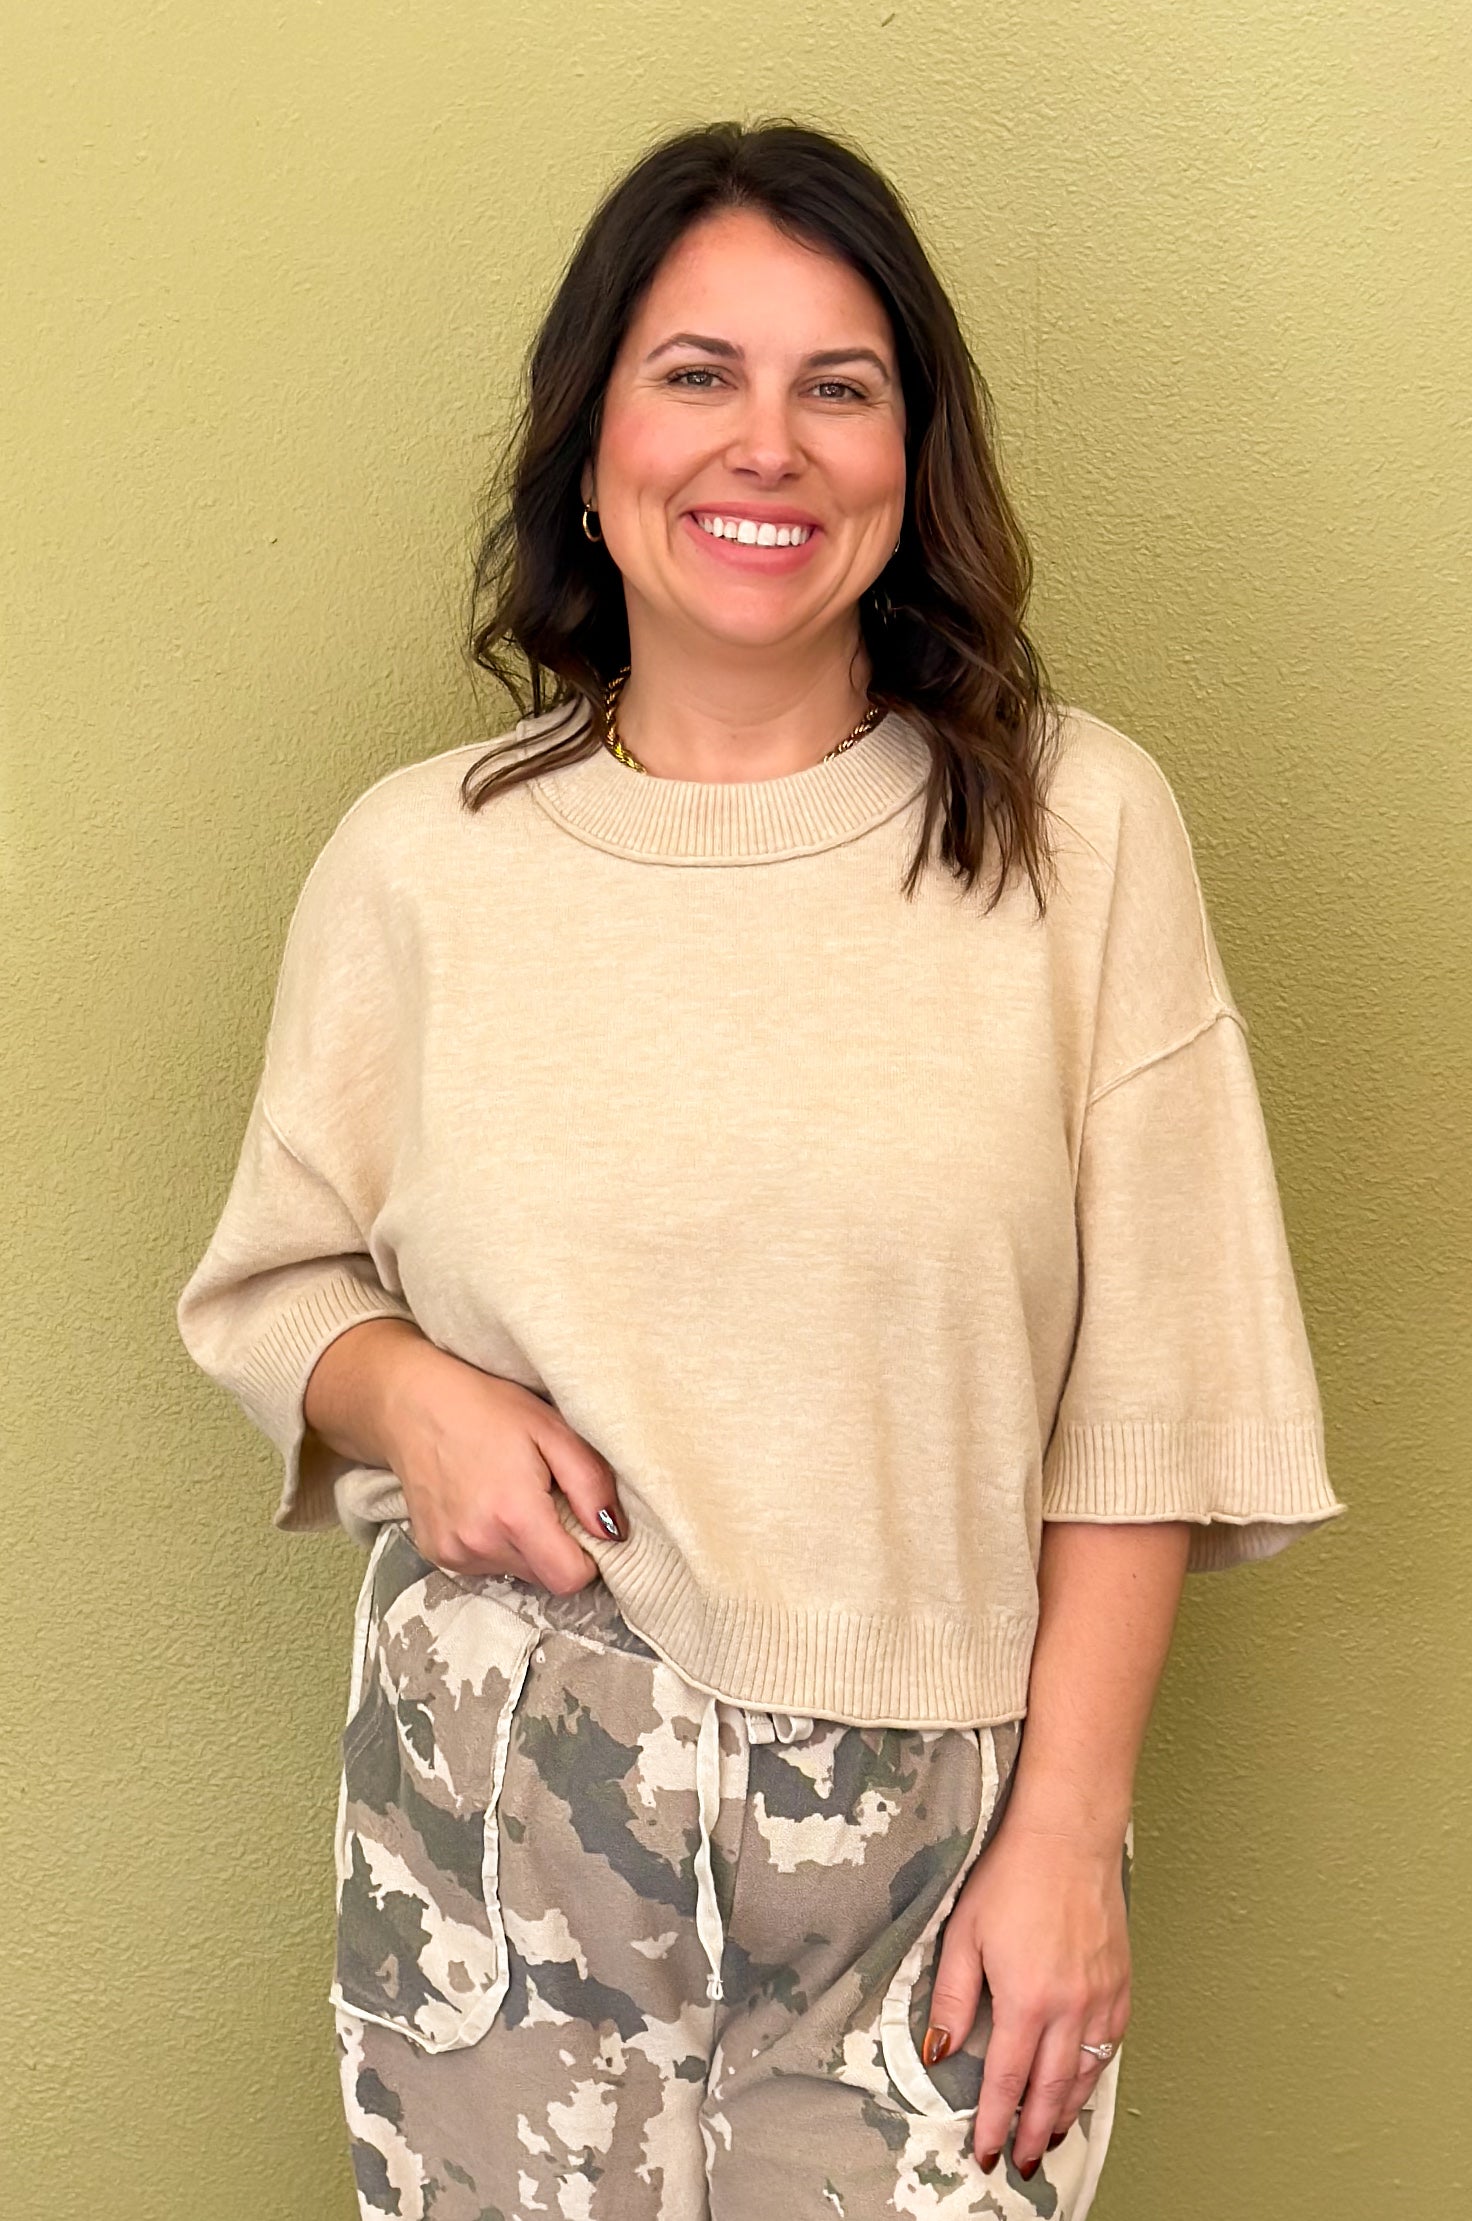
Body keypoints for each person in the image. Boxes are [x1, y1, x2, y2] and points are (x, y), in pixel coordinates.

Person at [176, 119, 1346, 2221]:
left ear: (914, 453)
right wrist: (409, 1392)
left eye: (840, 386)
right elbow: (277, 1286)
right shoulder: (420, 860)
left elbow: (1158, 1387)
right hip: (502, 1823)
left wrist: (1068, 1835)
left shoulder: (1077, 831)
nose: (768, 446)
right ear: (592, 438)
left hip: (934, 1867)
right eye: (698, 373)